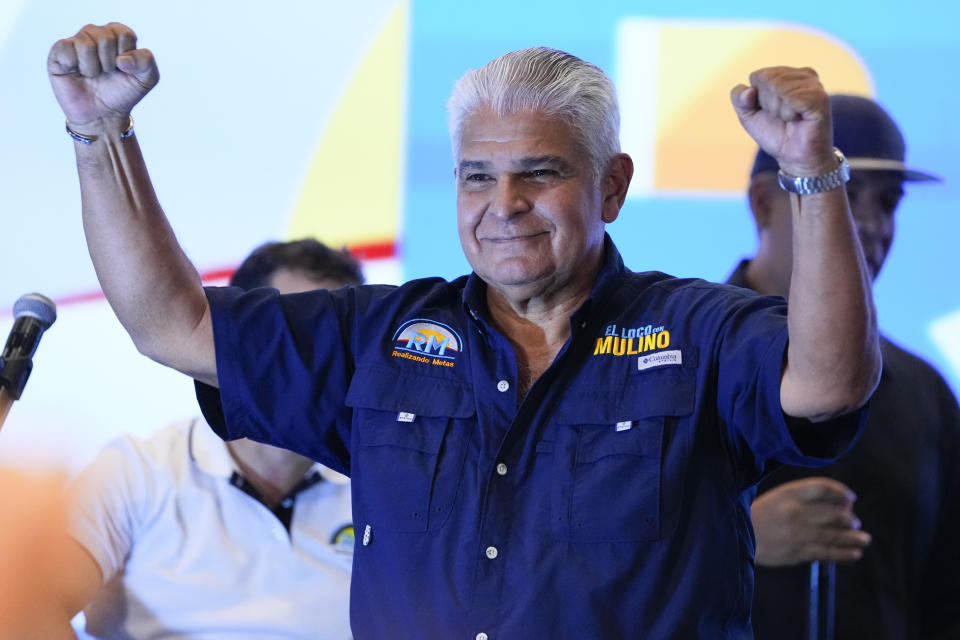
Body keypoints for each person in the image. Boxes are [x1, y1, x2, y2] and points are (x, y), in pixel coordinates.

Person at [47, 23, 881, 637]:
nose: (503, 205)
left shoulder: (697, 333)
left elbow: (831, 381)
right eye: (477, 176)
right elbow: (171, 323)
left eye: (539, 173)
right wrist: (99, 133)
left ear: (613, 187)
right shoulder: (380, 340)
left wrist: (809, 173)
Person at [38, 240, 362, 639]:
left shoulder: (388, 485)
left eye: (330, 342)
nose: (309, 362)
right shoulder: (139, 470)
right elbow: (33, 602)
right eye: (292, 336)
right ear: (240, 338)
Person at [734, 95, 960, 639]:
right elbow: (584, 567)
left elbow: (946, 598)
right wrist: (738, 537)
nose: (868, 224)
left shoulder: (924, 394)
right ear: (764, 204)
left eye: (887, 202)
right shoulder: (677, 361)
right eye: (836, 195)